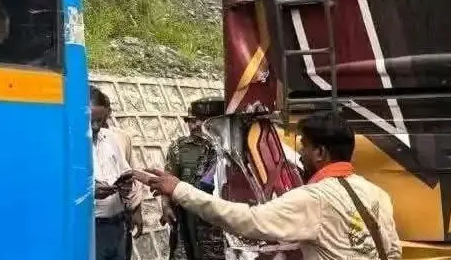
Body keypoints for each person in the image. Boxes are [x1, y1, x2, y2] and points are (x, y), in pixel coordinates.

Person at [138, 111, 401, 260]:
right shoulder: (377, 194)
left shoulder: (315, 198)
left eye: (304, 147)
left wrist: (180, 189)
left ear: (320, 153)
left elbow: (248, 220)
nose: (300, 155)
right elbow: (392, 252)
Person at [162, 98, 226, 260]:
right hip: (186, 221)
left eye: (200, 120)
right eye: (191, 121)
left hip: (216, 224)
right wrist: (166, 206)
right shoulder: (179, 147)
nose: (195, 125)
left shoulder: (227, 149)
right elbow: (168, 178)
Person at [90, 86, 147, 259]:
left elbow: (127, 172)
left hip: (118, 225)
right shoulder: (68, 144)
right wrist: (90, 192)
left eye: (100, 120)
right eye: (91, 121)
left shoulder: (110, 138)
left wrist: (126, 185)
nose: (96, 126)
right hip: (91, 229)